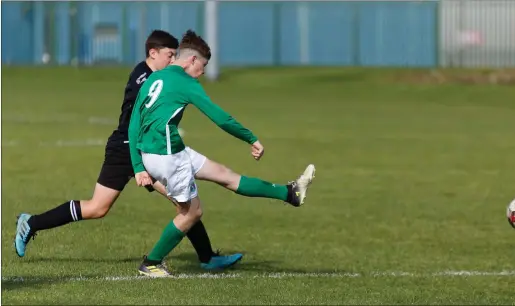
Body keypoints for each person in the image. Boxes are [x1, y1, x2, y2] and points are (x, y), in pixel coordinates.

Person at [14, 30, 241, 271]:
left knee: (178, 202)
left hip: (141, 150)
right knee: (173, 204)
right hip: (128, 149)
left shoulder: (158, 77)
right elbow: (138, 124)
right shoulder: (144, 78)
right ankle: (32, 223)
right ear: (153, 53)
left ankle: (207, 257)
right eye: (169, 55)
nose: (173, 60)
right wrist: (139, 165)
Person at [129, 30, 315, 277]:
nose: (204, 72)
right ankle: (151, 263)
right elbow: (220, 117)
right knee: (191, 213)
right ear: (191, 60)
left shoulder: (154, 78)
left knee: (225, 175)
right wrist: (250, 137)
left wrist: (139, 165)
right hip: (167, 156)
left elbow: (133, 123)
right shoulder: (186, 82)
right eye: (203, 65)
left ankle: (290, 193)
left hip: (162, 151)